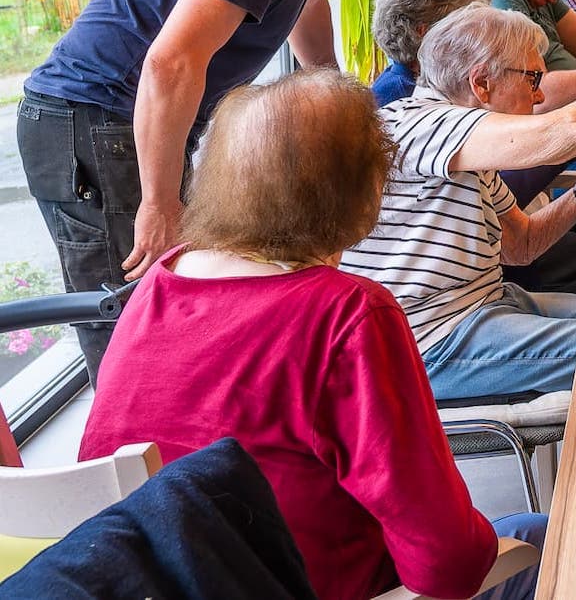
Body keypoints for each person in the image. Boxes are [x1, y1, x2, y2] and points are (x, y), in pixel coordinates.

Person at [18, 0, 463, 376]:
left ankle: (193, 461)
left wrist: (339, 96)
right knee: (133, 326)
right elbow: (170, 63)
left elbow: (307, 0)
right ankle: (133, 466)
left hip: (135, 121)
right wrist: (157, 199)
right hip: (95, 119)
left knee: (182, 308)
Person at [78, 69, 547, 600]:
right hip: (310, 586)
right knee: (542, 535)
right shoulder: (347, 312)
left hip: (151, 580)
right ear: (365, 189)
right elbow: (450, 564)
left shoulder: (162, 279)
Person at [342, 4, 576, 400]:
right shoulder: (423, 124)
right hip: (432, 339)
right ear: (482, 83)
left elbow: (520, 245)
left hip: (483, 305)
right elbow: (569, 129)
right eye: (533, 78)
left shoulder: (466, 146)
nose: (539, 95)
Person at [371, 0, 491, 105]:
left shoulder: (439, 81)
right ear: (425, 34)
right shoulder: (403, 98)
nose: (483, 33)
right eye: (470, 24)